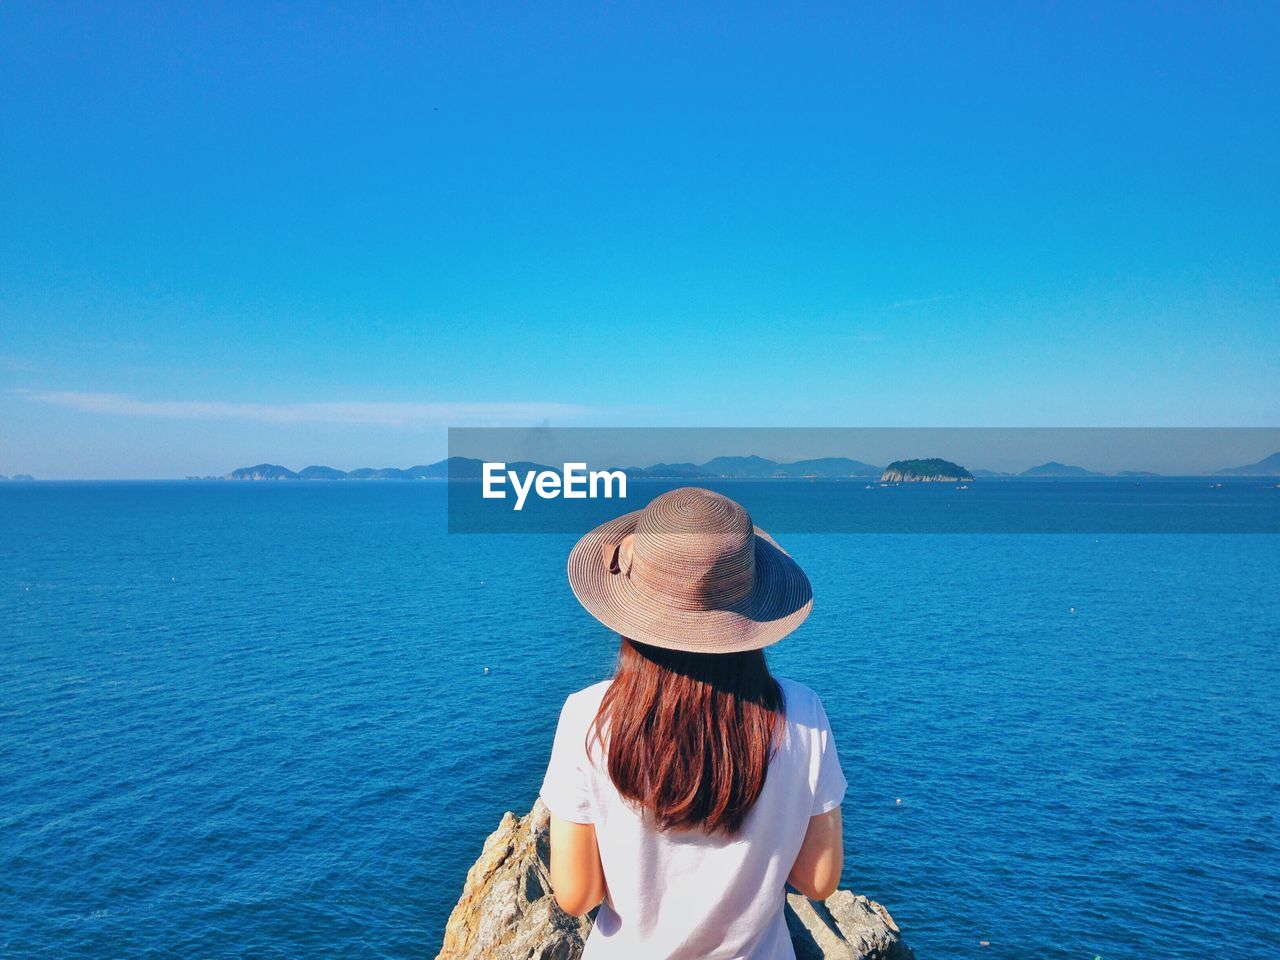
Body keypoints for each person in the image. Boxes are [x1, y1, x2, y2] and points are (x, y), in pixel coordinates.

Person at [540, 487, 846, 959]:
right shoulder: (802, 714)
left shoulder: (588, 717)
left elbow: (577, 895)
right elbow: (819, 880)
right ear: (753, 607)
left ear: (632, 610)